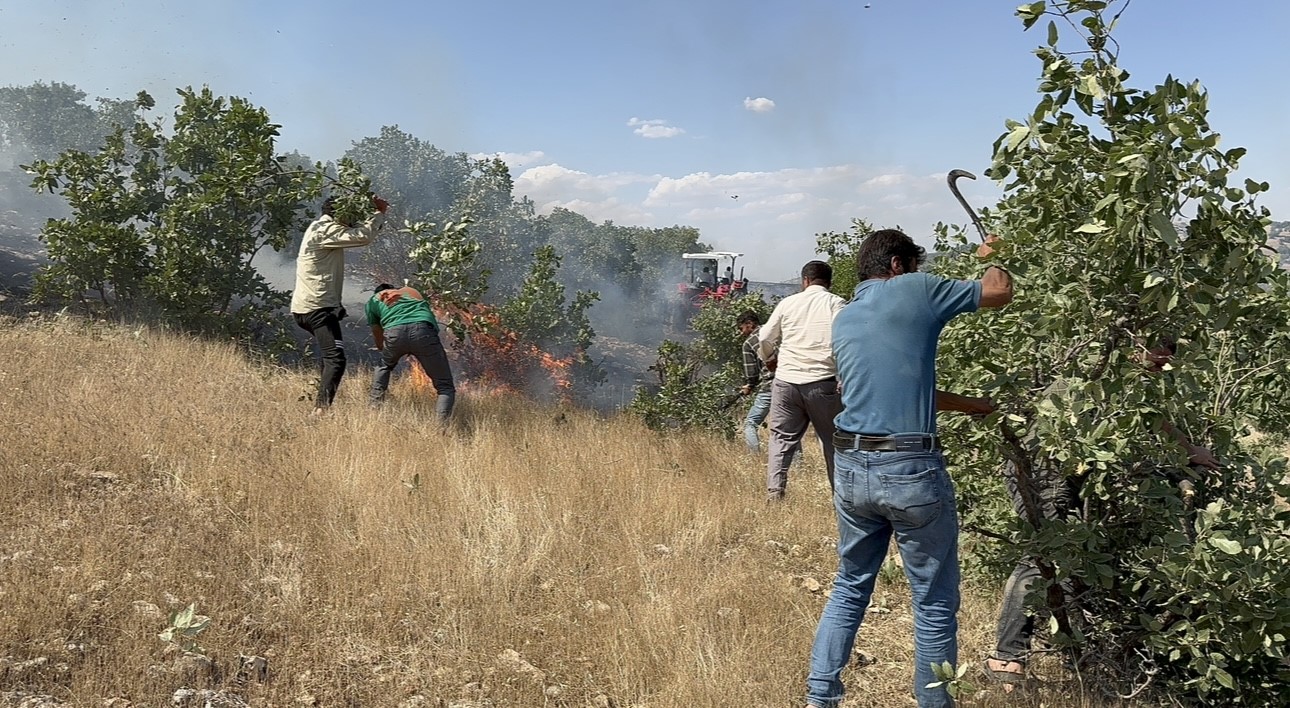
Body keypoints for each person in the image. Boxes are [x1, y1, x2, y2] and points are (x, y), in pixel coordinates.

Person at [805, 229, 1013, 708]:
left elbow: (901, 388)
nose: (920, 273)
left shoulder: (847, 315)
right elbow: (998, 291)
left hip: (853, 467)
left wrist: (974, 405)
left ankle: (820, 697)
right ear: (899, 265)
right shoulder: (913, 289)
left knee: (850, 586)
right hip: (910, 469)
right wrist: (995, 253)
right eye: (915, 265)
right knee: (934, 601)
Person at [983, 337, 1220, 685]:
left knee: (1068, 560)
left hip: (1063, 473)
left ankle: (1074, 653)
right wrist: (1188, 452)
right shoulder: (1107, 367)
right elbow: (1152, 419)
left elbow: (1138, 428)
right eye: (1160, 353)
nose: (1165, 363)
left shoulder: (1122, 374)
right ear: (1136, 345)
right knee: (1041, 559)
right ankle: (1006, 659)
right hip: (1045, 471)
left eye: (1171, 356)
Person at [291, 194, 389, 415]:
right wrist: (379, 212)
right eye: (350, 214)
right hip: (317, 308)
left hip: (314, 307)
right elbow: (362, 236)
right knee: (336, 359)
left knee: (331, 357)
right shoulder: (324, 229)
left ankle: (319, 405)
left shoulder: (322, 228)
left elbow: (356, 232)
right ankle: (320, 412)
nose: (352, 219)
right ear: (340, 214)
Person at [757, 260, 846, 500]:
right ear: (829, 282)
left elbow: (764, 336)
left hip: (786, 382)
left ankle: (775, 493)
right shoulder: (836, 303)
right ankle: (841, 498)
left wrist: (769, 359)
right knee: (833, 442)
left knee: (780, 439)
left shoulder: (788, 303)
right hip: (822, 382)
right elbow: (846, 343)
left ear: (804, 281)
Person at [366, 283, 456, 420]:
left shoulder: (373, 300)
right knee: (445, 386)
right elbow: (427, 313)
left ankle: (374, 410)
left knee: (383, 366)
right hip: (423, 331)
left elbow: (377, 332)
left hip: (394, 333)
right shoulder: (410, 291)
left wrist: (384, 350)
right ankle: (441, 428)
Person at [737, 310, 775, 455]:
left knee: (750, 424)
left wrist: (749, 386)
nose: (741, 333)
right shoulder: (774, 331)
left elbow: (752, 374)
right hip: (792, 381)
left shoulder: (749, 343)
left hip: (770, 385)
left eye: (741, 328)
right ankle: (798, 465)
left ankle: (754, 459)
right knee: (788, 427)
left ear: (749, 324)